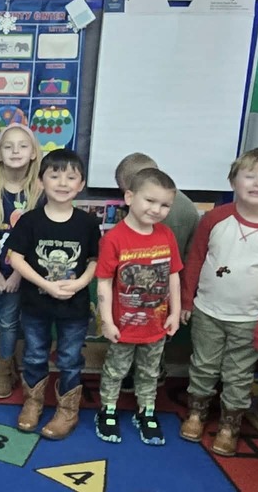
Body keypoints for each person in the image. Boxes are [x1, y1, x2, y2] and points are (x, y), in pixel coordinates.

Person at [179, 148, 258, 456]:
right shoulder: (215, 219)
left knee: (238, 374)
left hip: (250, 318)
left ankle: (230, 425)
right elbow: (195, 260)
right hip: (208, 310)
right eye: (250, 176)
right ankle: (196, 413)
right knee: (203, 365)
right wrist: (186, 301)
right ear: (234, 181)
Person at [7, 148, 101, 440]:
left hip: (74, 307)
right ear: (40, 181)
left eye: (71, 177)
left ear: (81, 184)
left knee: (70, 358)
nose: (62, 182)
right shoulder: (30, 220)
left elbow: (94, 261)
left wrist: (80, 283)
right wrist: (47, 285)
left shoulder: (87, 223)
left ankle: (67, 411)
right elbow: (15, 258)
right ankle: (33, 402)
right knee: (35, 355)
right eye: (55, 175)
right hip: (36, 304)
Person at [95, 168, 183, 446]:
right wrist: (107, 321)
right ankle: (107, 410)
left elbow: (173, 275)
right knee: (115, 370)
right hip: (124, 325)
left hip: (155, 325)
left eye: (165, 205)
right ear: (130, 197)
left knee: (150, 372)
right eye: (150, 201)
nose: (156, 210)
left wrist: (176, 312)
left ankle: (146, 411)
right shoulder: (114, 238)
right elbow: (104, 283)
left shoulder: (166, 236)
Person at [113, 152, 200, 394]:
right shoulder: (183, 203)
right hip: (172, 282)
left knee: (149, 334)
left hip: (155, 285)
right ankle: (149, 372)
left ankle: (146, 375)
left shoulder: (160, 214)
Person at [0, 124, 42, 400]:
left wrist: (16, 275)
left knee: (10, 321)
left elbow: (34, 240)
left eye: (22, 146)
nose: (15, 151)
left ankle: (4, 369)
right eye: (8, 146)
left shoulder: (38, 191)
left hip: (22, 269)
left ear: (34, 153)